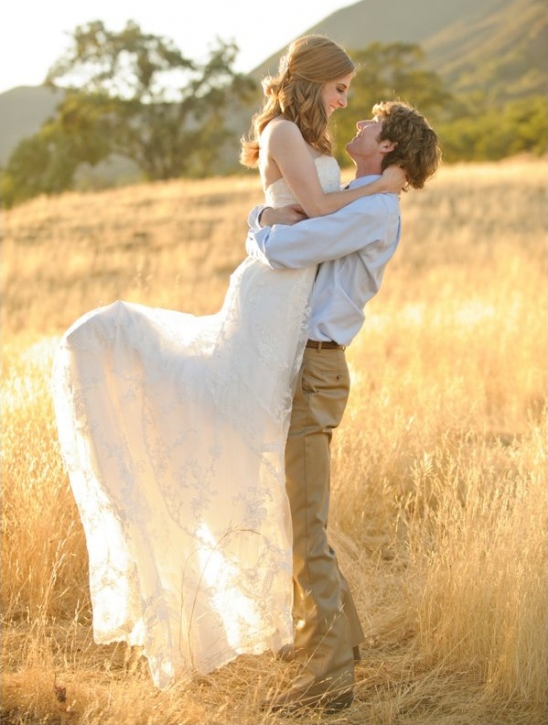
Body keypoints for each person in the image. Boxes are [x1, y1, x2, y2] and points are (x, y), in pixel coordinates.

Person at [51, 35, 403, 689]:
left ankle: (322, 646)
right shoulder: (283, 134)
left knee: (276, 481)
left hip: (290, 305)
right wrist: (372, 186)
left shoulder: (313, 142)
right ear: (314, 80)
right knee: (240, 453)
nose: (344, 101)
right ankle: (317, 650)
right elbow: (320, 211)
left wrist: (285, 211)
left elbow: (313, 218)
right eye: (339, 89)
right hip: (269, 299)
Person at [246, 100, 441, 714]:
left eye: (372, 125)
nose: (358, 124)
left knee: (306, 527)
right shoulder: (367, 198)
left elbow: (283, 249)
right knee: (301, 515)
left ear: (388, 149)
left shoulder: (375, 208)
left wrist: (261, 216)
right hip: (307, 364)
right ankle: (338, 641)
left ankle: (329, 679)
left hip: (318, 368)